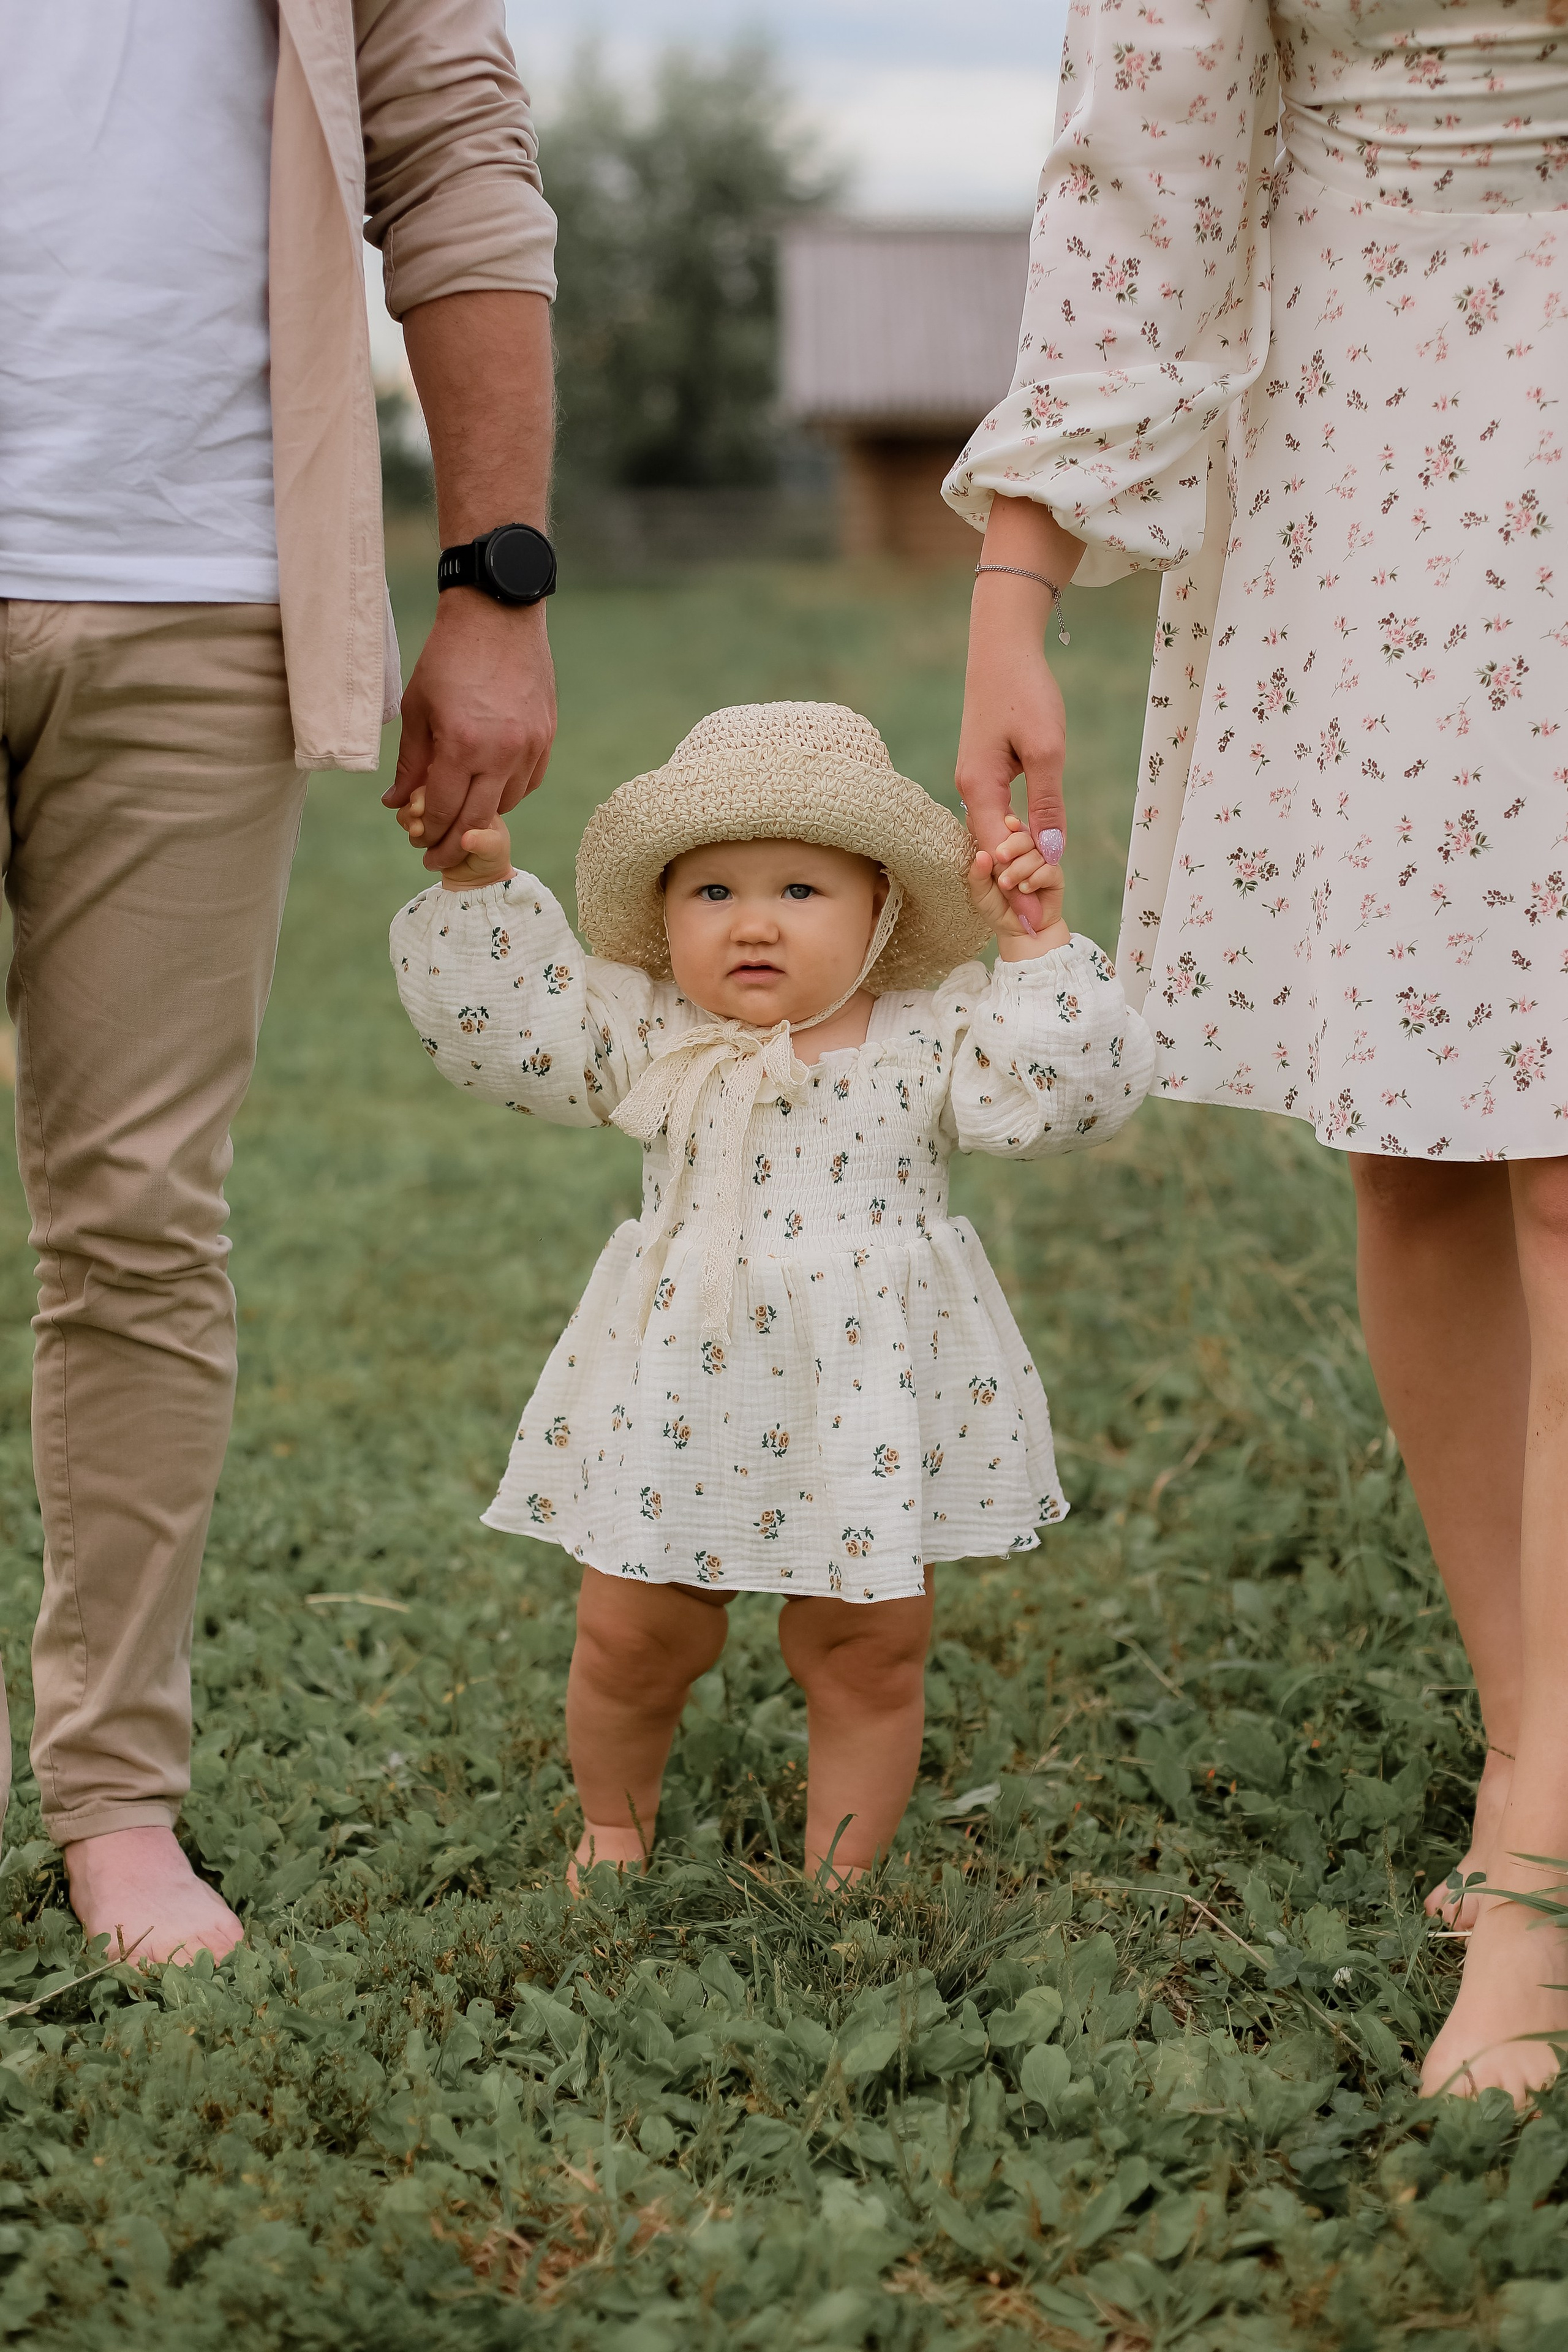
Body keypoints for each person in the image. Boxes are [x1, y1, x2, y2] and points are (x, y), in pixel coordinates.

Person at [948, 0, 1568, 2098]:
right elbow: (1141, 180)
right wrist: (1014, 595)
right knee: (1425, 1138)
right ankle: (1530, 1744)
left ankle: (1547, 1872)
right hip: (1385, 453)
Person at [0, 0, 559, 1964]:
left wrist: (494, 585)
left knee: (141, 1219)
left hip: (196, 591)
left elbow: (459, 169)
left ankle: (113, 1801)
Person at [388, 700, 1154, 1882]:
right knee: (636, 1631)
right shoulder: (651, 1027)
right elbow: (515, 1040)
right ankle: (611, 1828)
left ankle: (841, 1874)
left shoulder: (924, 1032)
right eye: (713, 894)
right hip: (684, 1377)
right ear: (663, 915)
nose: (754, 922)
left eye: (801, 891)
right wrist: (484, 891)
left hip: (863, 1386)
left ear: (881, 905)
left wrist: (1031, 953)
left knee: (867, 1647)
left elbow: (1061, 1100)